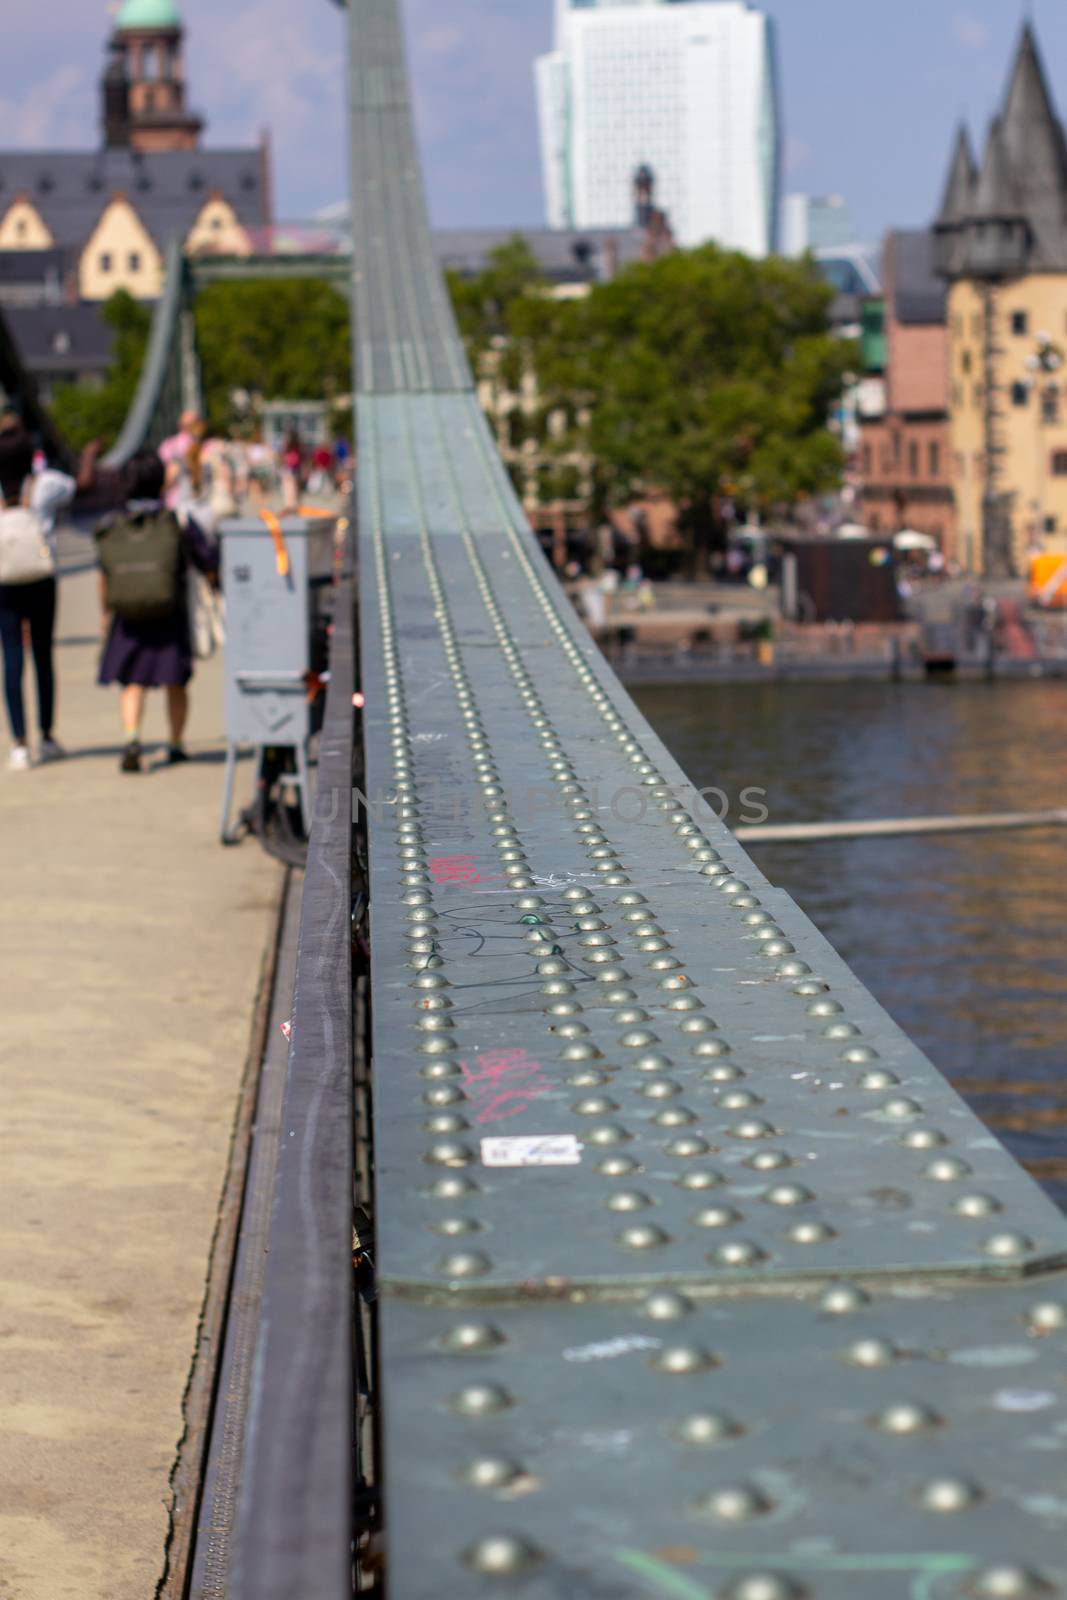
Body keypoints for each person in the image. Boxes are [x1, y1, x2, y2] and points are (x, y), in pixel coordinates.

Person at [96, 450, 218, 774]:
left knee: (132, 682)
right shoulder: (176, 522)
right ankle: (176, 744)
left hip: (128, 614)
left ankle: (132, 738)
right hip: (169, 612)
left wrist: (105, 612)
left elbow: (104, 572)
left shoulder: (113, 524)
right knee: (175, 681)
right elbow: (207, 558)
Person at [0, 424, 75, 770]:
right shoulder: (44, 485)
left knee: (11, 659)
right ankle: (46, 737)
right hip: (42, 578)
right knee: (43, 656)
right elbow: (73, 486)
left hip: (4, 580)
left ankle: (19, 744)